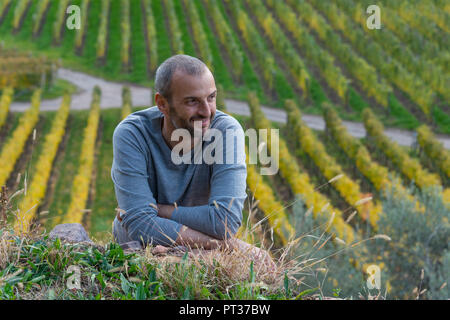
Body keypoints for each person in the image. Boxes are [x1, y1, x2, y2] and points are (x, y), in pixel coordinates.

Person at [111, 54, 274, 267]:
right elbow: (141, 226)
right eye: (192, 101)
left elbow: (225, 222)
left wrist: (158, 210)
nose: (207, 111)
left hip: (199, 256)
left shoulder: (226, 131)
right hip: (139, 254)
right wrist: (227, 245)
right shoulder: (132, 134)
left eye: (211, 97)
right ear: (162, 104)